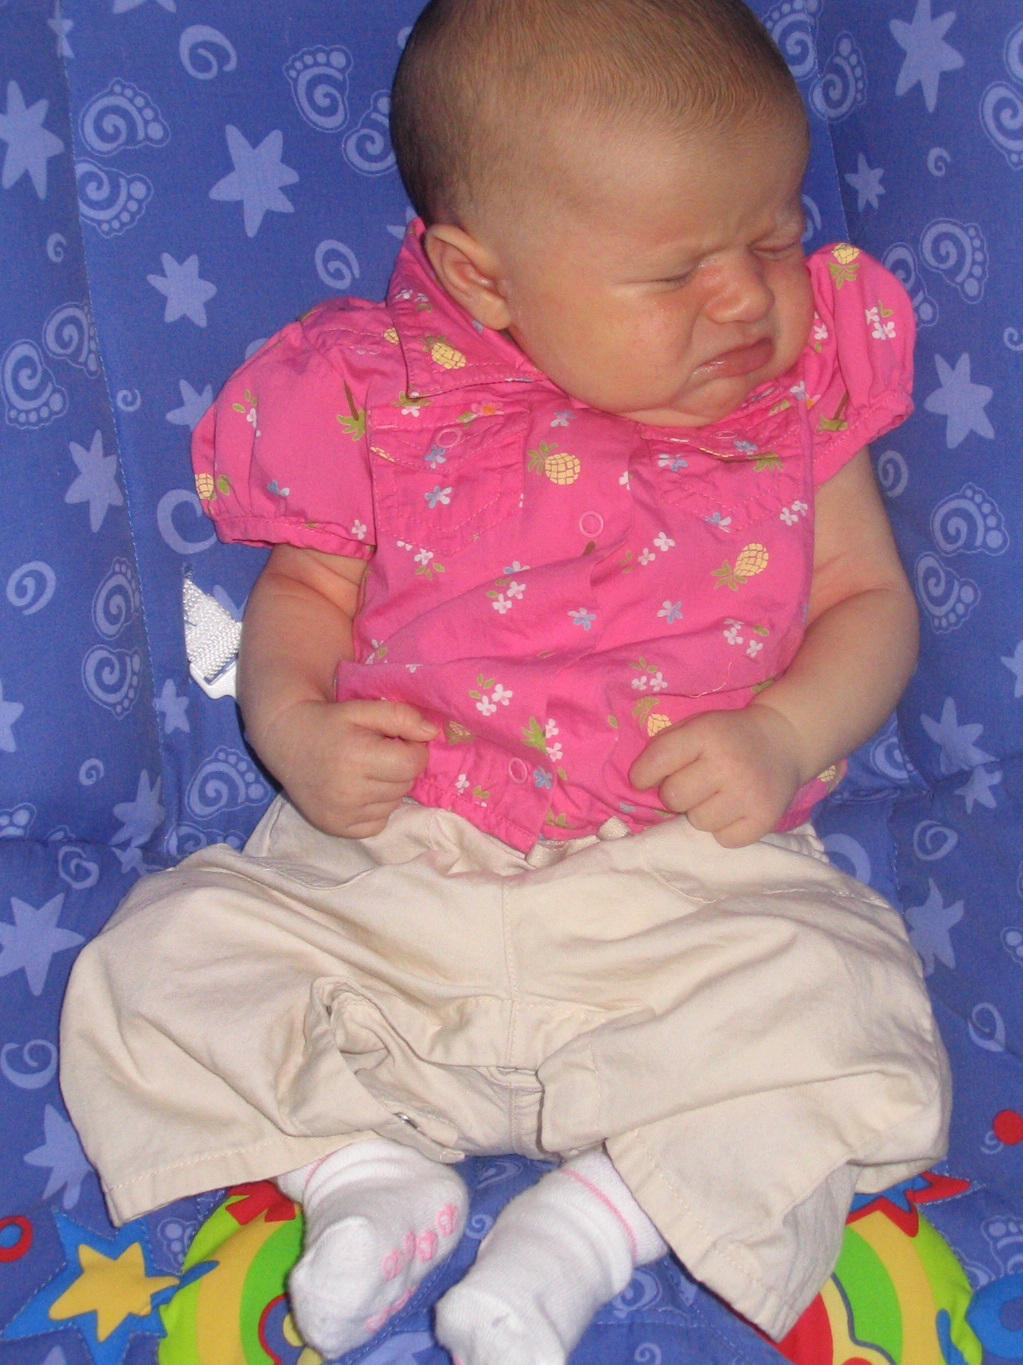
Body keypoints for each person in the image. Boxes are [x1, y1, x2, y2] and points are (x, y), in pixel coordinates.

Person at [60, 1, 951, 1362]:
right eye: (675, 272)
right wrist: (295, 728)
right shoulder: (375, 388)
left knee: (856, 1016)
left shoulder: (796, 397)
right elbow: (303, 598)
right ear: (484, 278)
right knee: (153, 969)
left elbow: (868, 602)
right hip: (401, 865)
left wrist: (783, 732)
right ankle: (365, 1180)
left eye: (774, 236)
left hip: (691, 884)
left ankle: (588, 1230)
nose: (744, 298)